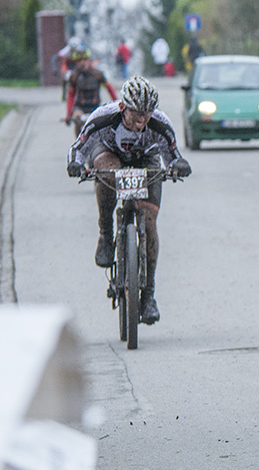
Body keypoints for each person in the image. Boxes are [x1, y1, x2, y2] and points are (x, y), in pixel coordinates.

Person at [66, 76, 192, 324]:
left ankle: (149, 295)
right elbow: (78, 148)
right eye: (136, 114)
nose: (141, 120)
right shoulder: (103, 118)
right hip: (109, 153)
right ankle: (106, 232)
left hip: (146, 159)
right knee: (105, 171)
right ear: (123, 107)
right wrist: (75, 164)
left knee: (149, 222)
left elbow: (173, 155)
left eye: (147, 114)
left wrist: (179, 165)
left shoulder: (160, 123)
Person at [65, 49, 118, 138]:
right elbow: (71, 95)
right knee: (78, 120)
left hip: (95, 107)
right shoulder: (74, 76)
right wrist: (69, 113)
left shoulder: (98, 74)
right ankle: (79, 141)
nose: (82, 63)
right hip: (80, 107)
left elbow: (109, 89)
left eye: (85, 60)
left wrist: (116, 105)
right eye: (79, 60)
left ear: (89, 60)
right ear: (76, 62)